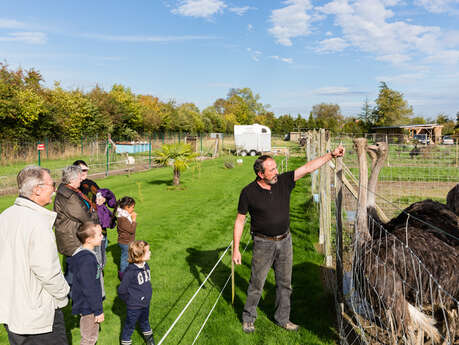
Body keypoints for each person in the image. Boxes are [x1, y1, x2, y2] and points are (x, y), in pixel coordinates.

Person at [232, 146, 345, 333]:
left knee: (285, 283)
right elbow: (240, 220)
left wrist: (331, 155)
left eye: (276, 167)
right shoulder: (248, 192)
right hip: (263, 244)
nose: (276, 172)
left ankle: (282, 318)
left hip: (285, 241)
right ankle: (248, 318)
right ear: (260, 174)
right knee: (256, 284)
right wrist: (236, 248)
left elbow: (308, 168)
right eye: (272, 170)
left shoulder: (283, 181)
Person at [0, 166, 70, 344]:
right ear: (37, 189)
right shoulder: (37, 223)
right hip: (38, 318)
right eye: (51, 184)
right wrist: (64, 295)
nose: (54, 190)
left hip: (12, 312)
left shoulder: (5, 216)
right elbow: (48, 271)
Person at [54, 165, 100, 292]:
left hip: (74, 235)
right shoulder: (68, 196)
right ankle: (69, 299)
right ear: (72, 179)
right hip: (72, 238)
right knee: (74, 273)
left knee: (75, 271)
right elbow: (84, 216)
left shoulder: (71, 191)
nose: (81, 180)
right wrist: (95, 217)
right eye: (80, 177)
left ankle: (73, 298)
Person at [68, 222, 105, 345]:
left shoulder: (83, 254)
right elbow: (90, 288)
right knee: (89, 338)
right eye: (99, 235)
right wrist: (98, 310)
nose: (102, 237)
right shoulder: (87, 260)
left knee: (90, 337)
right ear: (89, 240)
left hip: (87, 304)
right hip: (88, 307)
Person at [118, 240, 154, 345]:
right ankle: (125, 341)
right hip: (134, 306)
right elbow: (121, 290)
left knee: (145, 321)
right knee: (130, 325)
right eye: (148, 251)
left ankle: (149, 339)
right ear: (139, 255)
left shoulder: (146, 266)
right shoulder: (130, 272)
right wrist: (131, 300)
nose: (150, 252)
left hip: (145, 303)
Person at [116, 196, 137, 280]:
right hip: (125, 242)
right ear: (126, 207)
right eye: (132, 207)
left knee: (129, 257)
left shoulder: (124, 215)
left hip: (126, 241)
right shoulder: (123, 219)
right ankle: (123, 275)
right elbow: (131, 230)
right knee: (125, 259)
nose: (133, 209)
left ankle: (128, 272)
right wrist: (134, 219)